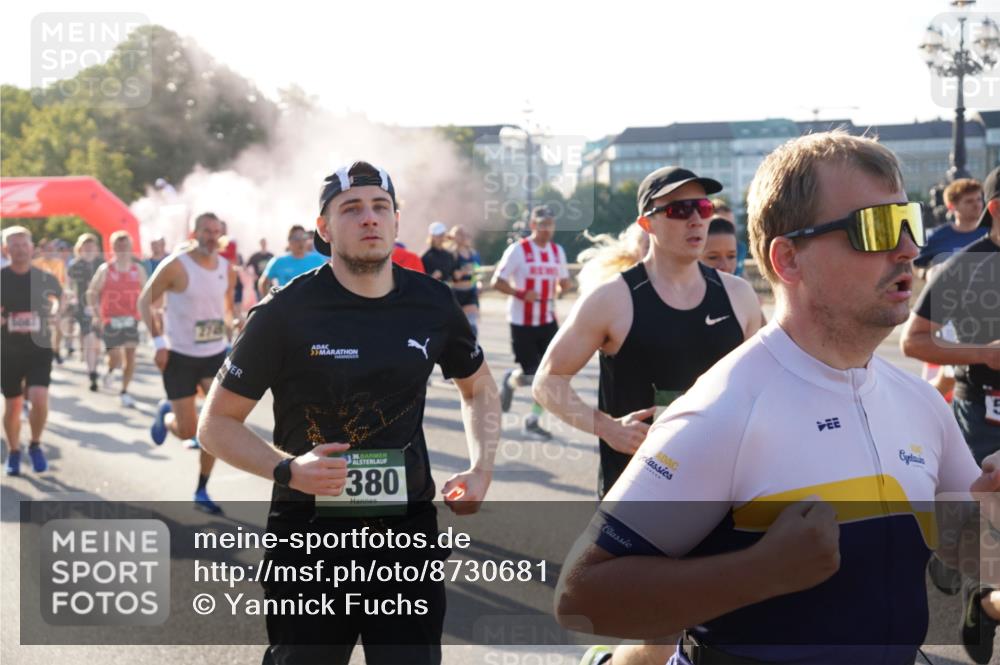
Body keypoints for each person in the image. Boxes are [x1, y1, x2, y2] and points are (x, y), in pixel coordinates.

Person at [554, 130, 1000, 665]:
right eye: (876, 227)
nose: (908, 248)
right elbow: (581, 598)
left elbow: (967, 552)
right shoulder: (724, 408)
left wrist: (992, 511)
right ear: (788, 259)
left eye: (908, 223)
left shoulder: (921, 403)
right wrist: (757, 573)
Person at [197, 160, 500, 665]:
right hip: (308, 540)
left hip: (407, 539)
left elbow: (480, 390)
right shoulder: (283, 313)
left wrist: (482, 467)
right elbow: (215, 424)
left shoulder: (432, 302)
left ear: (397, 220)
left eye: (381, 207)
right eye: (351, 208)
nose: (369, 219)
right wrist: (289, 469)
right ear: (324, 226)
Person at [902, 166, 1000, 662]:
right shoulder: (965, 267)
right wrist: (984, 353)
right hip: (983, 417)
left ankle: (984, 598)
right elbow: (913, 340)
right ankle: (976, 587)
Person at [138, 212, 237, 514]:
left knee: (215, 425)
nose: (211, 237)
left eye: (216, 232)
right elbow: (145, 302)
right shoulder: (176, 266)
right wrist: (158, 343)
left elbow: (227, 309)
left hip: (214, 355)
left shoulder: (226, 269)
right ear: (194, 233)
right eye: (206, 231)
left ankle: (202, 488)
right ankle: (166, 413)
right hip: (180, 356)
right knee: (186, 431)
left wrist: (233, 334)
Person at [491, 205, 573, 440]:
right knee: (530, 375)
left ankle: (532, 420)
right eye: (542, 224)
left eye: (551, 224)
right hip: (522, 322)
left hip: (548, 320)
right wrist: (520, 293)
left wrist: (564, 287)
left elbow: (563, 282)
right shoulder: (518, 250)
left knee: (551, 375)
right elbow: (498, 281)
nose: (547, 229)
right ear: (533, 226)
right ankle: (510, 380)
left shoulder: (558, 251)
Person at [2, 226, 62, 475]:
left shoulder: (44, 277)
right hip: (7, 350)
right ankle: (14, 451)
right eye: (14, 245)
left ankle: (35, 444)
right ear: (6, 249)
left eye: (23, 244)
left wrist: (56, 314)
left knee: (38, 398)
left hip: (39, 347)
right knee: (14, 405)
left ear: (32, 247)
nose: (19, 249)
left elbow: (60, 300)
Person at [86, 231, 147, 408]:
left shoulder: (138, 269)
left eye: (125, 245)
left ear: (130, 247)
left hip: (131, 318)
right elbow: (92, 291)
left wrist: (146, 311)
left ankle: (125, 391)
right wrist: (96, 313)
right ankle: (111, 369)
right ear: (112, 248)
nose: (122, 249)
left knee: (130, 354)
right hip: (110, 319)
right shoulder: (106, 269)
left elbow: (146, 292)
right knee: (115, 356)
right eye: (118, 246)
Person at [914, 177, 987, 272]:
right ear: (951, 206)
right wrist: (928, 273)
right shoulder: (935, 237)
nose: (977, 205)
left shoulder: (993, 234)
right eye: (969, 201)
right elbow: (916, 268)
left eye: (979, 199)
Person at [66, 233, 104, 392]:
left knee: (96, 342)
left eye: (91, 246)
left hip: (102, 307)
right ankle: (93, 373)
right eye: (85, 247)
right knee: (89, 337)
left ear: (96, 248)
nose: (88, 249)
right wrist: (70, 298)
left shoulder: (102, 264)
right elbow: (68, 285)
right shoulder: (75, 265)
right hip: (83, 307)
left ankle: (93, 361)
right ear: (80, 249)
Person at [257, 225, 326, 295]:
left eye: (303, 237)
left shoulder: (318, 260)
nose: (301, 242)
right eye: (296, 239)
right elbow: (263, 283)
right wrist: (269, 302)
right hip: (286, 304)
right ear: (289, 241)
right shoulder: (278, 261)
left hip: (312, 303)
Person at [32, 238, 68, 364]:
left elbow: (63, 281)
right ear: (41, 250)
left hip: (55, 298)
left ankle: (56, 350)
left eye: (52, 249)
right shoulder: (35, 263)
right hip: (40, 300)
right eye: (47, 249)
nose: (50, 252)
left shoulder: (59, 263)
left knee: (58, 326)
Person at [447, 224, 482, 337]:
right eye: (459, 234)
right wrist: (463, 272)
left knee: (471, 326)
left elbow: (478, 273)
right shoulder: (451, 254)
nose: (462, 237)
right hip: (456, 292)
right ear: (453, 237)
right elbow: (453, 276)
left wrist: (478, 284)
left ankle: (473, 349)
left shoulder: (474, 254)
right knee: (458, 326)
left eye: (464, 234)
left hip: (470, 291)